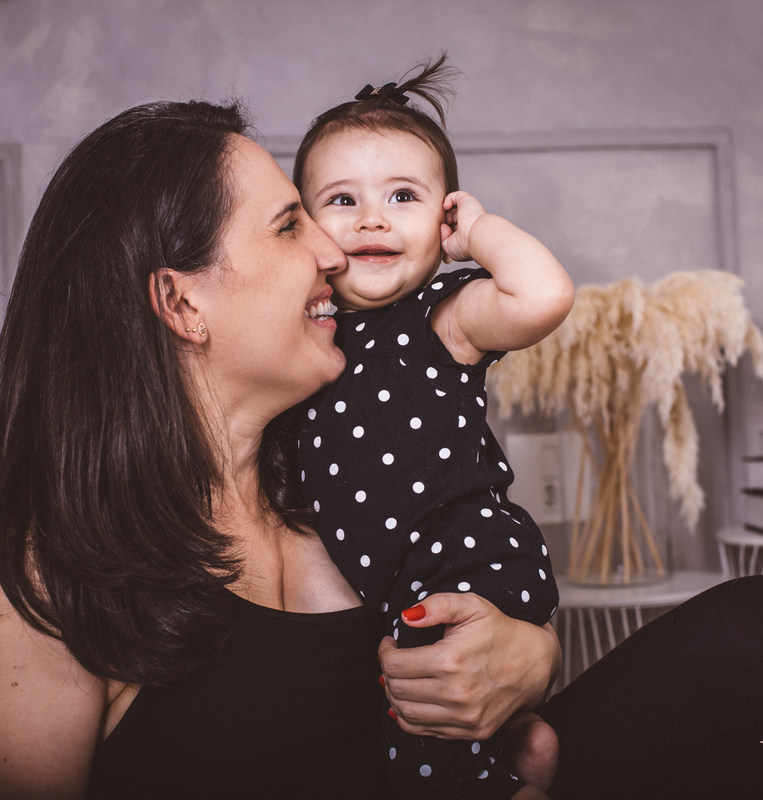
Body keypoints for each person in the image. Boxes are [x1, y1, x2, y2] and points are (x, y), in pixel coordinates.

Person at [0, 98, 560, 800]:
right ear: (182, 304)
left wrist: (531, 653)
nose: (332, 249)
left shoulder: (345, 479)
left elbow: (470, 581)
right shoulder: (46, 578)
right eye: (291, 225)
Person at [293, 56, 571, 798]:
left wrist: (477, 233)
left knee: (416, 714)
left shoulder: (439, 317)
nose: (373, 219)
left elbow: (542, 295)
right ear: (303, 226)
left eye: (404, 197)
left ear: (442, 216)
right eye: (342, 200)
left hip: (463, 558)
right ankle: (517, 757)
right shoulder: (308, 332)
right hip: (396, 581)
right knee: (400, 702)